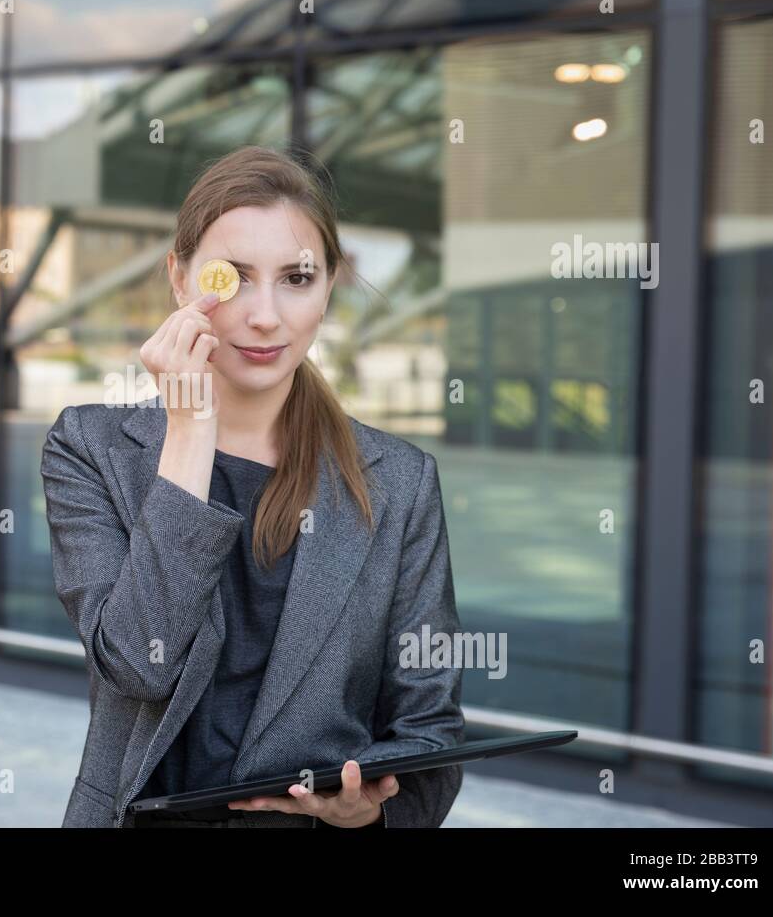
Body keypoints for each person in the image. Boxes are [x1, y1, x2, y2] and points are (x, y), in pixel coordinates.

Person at [41, 144, 464, 828]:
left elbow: (431, 732)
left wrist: (370, 816)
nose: (265, 315)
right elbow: (139, 666)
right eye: (231, 278)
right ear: (178, 279)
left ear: (330, 286)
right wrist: (189, 433)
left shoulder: (401, 482)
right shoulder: (90, 449)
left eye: (296, 278)